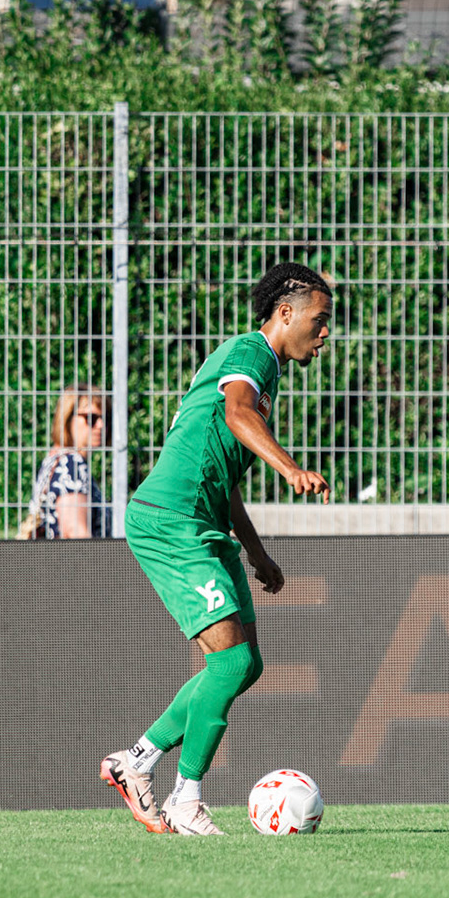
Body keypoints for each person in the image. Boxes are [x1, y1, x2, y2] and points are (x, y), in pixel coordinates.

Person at [99, 263, 334, 835]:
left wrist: (256, 552)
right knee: (228, 662)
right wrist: (290, 468)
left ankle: (137, 761)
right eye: (320, 320)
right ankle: (186, 799)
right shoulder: (252, 353)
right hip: (172, 520)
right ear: (285, 313)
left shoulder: (265, 374)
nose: (326, 333)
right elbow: (236, 413)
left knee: (245, 664)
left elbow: (224, 478)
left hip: (204, 523)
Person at [20, 384, 111, 539]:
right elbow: (75, 534)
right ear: (68, 419)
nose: (101, 425)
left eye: (106, 418)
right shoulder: (71, 465)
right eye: (91, 418)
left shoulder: (55, 460)